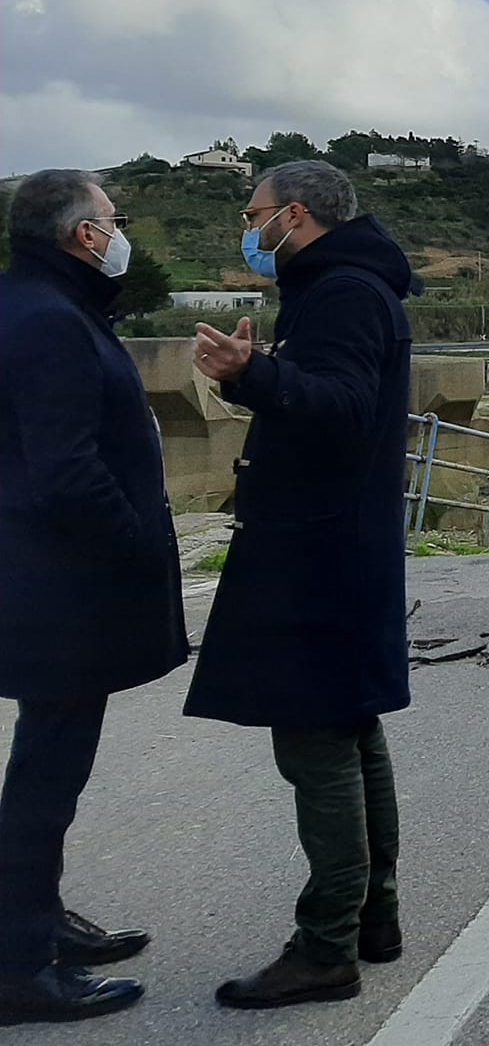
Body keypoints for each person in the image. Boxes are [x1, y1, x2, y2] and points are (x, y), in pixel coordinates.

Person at [185, 161, 418, 1009]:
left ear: (295, 214)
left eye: (252, 215)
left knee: (317, 747)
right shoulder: (341, 285)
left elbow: (342, 406)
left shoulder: (344, 293)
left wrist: (251, 376)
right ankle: (373, 920)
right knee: (350, 729)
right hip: (340, 544)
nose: (246, 231)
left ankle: (326, 946)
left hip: (318, 553)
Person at [0, 172, 187, 1026]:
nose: (121, 231)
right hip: (60, 595)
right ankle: (19, 964)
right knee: (45, 777)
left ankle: (39, 922)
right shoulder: (46, 321)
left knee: (50, 770)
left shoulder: (45, 306)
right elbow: (69, 470)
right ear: (82, 236)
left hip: (48, 585)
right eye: (113, 219)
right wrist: (141, 549)